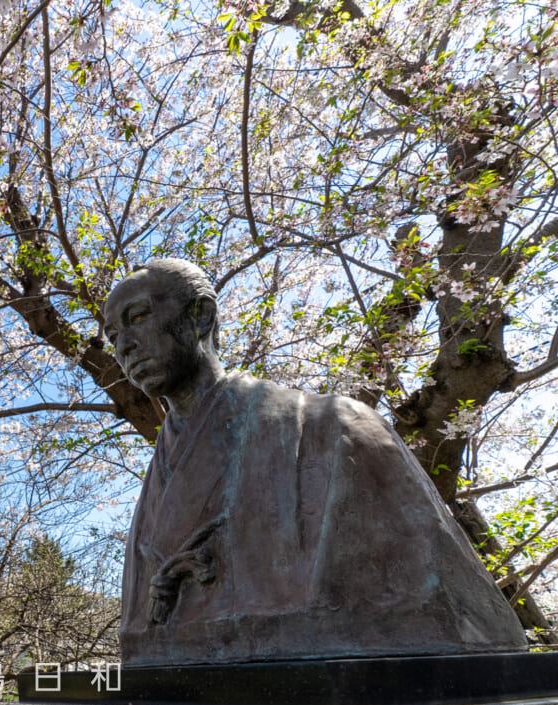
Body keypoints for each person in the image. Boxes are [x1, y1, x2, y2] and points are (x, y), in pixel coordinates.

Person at [103, 259, 526, 666]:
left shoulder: (333, 430)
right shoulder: (158, 475)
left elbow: (457, 617)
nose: (123, 344)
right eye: (111, 335)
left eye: (137, 316)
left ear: (200, 317)